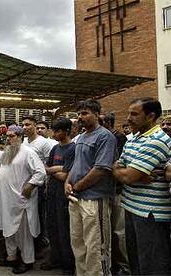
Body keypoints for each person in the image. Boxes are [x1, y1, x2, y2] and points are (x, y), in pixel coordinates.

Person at [113, 98, 171, 275]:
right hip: (132, 207)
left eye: (134, 114)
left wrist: (124, 172)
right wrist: (121, 171)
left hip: (150, 213)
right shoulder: (133, 139)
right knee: (136, 261)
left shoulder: (157, 140)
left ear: (151, 116)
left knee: (152, 265)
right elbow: (117, 166)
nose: (129, 118)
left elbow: (128, 176)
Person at [0, 125, 46, 274]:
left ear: (20, 137)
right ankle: (11, 257)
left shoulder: (29, 152)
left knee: (23, 233)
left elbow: (40, 172)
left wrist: (30, 185)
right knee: (8, 230)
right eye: (7, 136)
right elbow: (0, 157)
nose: (9, 139)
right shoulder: (10, 151)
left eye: (12, 136)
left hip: (20, 200)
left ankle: (27, 261)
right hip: (6, 200)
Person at [65, 99, 117, 276]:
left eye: (85, 113)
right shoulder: (81, 137)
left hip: (94, 199)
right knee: (79, 246)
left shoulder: (105, 136)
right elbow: (76, 165)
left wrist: (77, 186)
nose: (80, 117)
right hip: (76, 199)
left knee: (96, 248)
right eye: (78, 114)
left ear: (97, 114)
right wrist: (67, 183)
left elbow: (101, 169)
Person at [41, 118, 75, 274]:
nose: (54, 134)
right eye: (53, 131)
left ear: (67, 131)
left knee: (64, 229)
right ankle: (55, 258)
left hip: (64, 195)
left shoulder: (73, 149)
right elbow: (46, 167)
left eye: (57, 131)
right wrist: (57, 169)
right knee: (52, 227)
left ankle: (68, 264)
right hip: (52, 193)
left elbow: (66, 175)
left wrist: (53, 171)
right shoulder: (55, 149)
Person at [100, 112, 130, 274]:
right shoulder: (101, 137)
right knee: (107, 232)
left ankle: (125, 268)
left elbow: (115, 164)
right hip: (105, 191)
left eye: (101, 121)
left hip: (117, 191)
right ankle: (112, 265)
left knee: (119, 232)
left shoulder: (117, 138)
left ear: (108, 123)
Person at [22, 115, 53, 256]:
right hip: (26, 183)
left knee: (40, 215)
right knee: (29, 215)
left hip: (39, 184)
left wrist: (45, 185)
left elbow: (48, 165)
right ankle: (30, 242)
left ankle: (40, 244)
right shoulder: (23, 142)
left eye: (28, 124)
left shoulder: (44, 143)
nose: (25, 127)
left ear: (35, 126)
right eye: (23, 125)